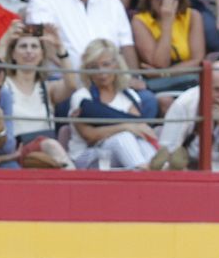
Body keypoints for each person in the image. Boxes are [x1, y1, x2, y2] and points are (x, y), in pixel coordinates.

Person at [29, 0, 136, 71]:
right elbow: (42, 41)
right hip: (64, 81)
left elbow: (126, 44)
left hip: (112, 82)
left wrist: (133, 76)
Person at [66, 38, 162, 169]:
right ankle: (144, 170)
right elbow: (90, 136)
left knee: (140, 140)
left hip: (118, 154)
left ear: (116, 65)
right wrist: (125, 126)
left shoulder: (129, 95)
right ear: (87, 69)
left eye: (106, 64)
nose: (101, 72)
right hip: (87, 156)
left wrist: (129, 127)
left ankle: (160, 167)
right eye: (94, 67)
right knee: (123, 137)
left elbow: (140, 128)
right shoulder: (82, 97)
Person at [156, 59, 219, 169]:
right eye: (217, 90)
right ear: (204, 85)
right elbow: (166, 154)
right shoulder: (184, 103)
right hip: (187, 166)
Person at [1, 18, 75, 166]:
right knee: (53, 147)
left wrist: (59, 46)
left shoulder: (47, 88)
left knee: (52, 150)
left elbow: (71, 85)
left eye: (34, 46)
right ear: (13, 54)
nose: (29, 51)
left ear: (42, 54)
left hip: (46, 153)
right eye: (23, 46)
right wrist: (5, 40)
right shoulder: (3, 84)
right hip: (18, 150)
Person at [132, 0, 206, 85]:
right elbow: (160, 64)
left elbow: (197, 61)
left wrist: (164, 73)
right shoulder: (139, 21)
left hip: (189, 78)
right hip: (159, 84)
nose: (166, 1)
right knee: (165, 100)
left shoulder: (193, 16)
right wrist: (167, 22)